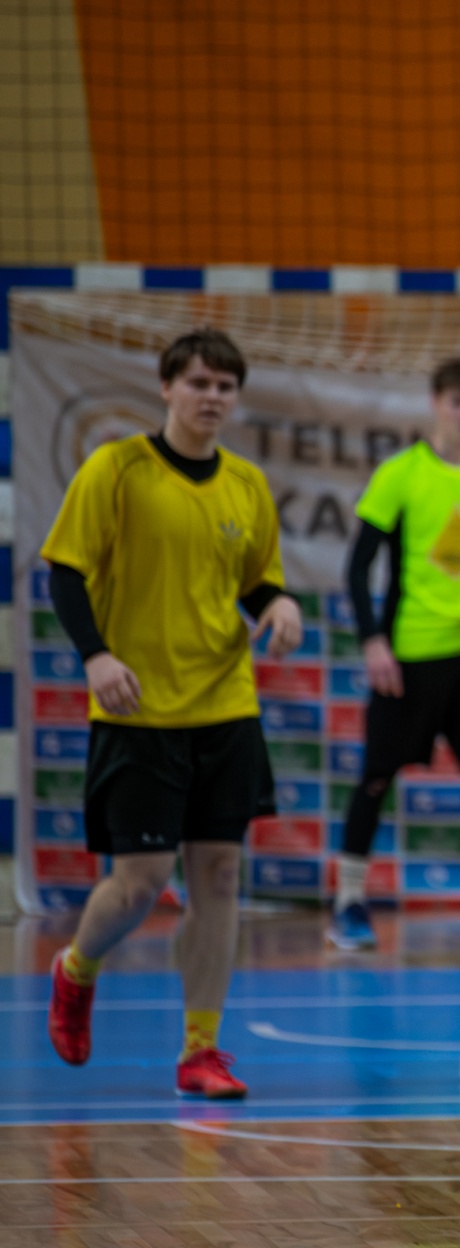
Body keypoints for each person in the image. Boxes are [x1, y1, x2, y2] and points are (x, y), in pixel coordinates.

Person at [42, 328, 305, 1100]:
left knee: (219, 875)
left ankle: (201, 1050)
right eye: (198, 383)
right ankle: (76, 967)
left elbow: (256, 582)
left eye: (224, 385)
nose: (211, 397)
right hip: (138, 710)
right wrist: (96, 656)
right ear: (166, 388)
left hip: (225, 704)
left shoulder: (247, 485)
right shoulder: (115, 469)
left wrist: (280, 604)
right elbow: (66, 573)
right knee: (139, 883)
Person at [330, 357, 460, 955]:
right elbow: (357, 567)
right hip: (407, 655)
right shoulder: (400, 475)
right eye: (457, 401)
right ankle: (348, 902)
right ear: (436, 403)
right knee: (376, 776)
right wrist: (372, 641)